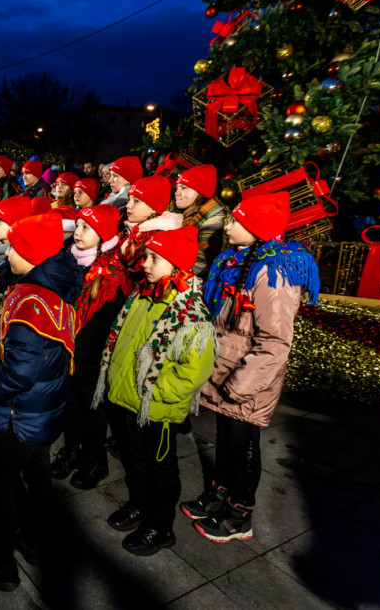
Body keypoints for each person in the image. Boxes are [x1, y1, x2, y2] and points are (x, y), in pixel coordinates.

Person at [187, 192, 320, 543]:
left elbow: (275, 342)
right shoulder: (237, 260)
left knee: (243, 442)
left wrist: (239, 385)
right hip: (223, 370)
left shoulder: (274, 272)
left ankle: (240, 511)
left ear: (257, 228)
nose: (227, 226)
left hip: (246, 380)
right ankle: (221, 493)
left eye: (236, 221)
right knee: (225, 438)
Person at [0, 213, 79, 591]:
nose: (6, 251)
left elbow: (20, 372)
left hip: (20, 413)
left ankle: (2, 564)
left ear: (33, 255)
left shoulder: (31, 306)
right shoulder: (48, 285)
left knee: (1, 482)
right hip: (42, 408)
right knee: (38, 474)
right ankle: (37, 539)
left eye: (13, 247)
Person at [94, 225, 215, 555]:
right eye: (146, 256)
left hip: (156, 409)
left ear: (177, 266)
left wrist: (156, 394)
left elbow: (194, 371)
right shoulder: (143, 294)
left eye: (153, 258)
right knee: (135, 460)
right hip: (128, 401)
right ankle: (139, 504)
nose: (144, 263)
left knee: (160, 467)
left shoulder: (189, 311)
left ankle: (160, 526)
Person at [52, 205, 131, 490]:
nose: (78, 232)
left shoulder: (112, 275)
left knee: (91, 407)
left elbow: (101, 323)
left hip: (90, 354)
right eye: (78, 226)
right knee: (69, 403)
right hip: (67, 346)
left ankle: (95, 460)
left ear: (103, 235)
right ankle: (72, 449)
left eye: (86, 228)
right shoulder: (69, 259)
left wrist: (74, 350)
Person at [120, 175, 183, 282]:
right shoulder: (132, 227)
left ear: (154, 208)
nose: (128, 205)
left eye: (136, 201)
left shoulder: (156, 238)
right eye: (129, 199)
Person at [174, 164, 227, 276]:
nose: (177, 193)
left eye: (184, 188)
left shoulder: (214, 220)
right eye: (177, 187)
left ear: (201, 192)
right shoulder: (186, 213)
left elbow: (200, 265)